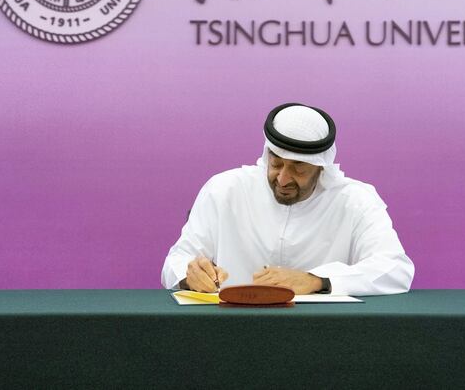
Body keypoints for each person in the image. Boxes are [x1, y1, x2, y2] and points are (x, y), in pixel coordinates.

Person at [160, 102, 414, 296]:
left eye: (298, 168)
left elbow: (395, 269)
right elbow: (176, 261)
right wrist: (188, 274)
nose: (283, 179)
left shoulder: (356, 201)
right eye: (277, 163)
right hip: (230, 330)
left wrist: (317, 281)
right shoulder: (225, 189)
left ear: (321, 167)